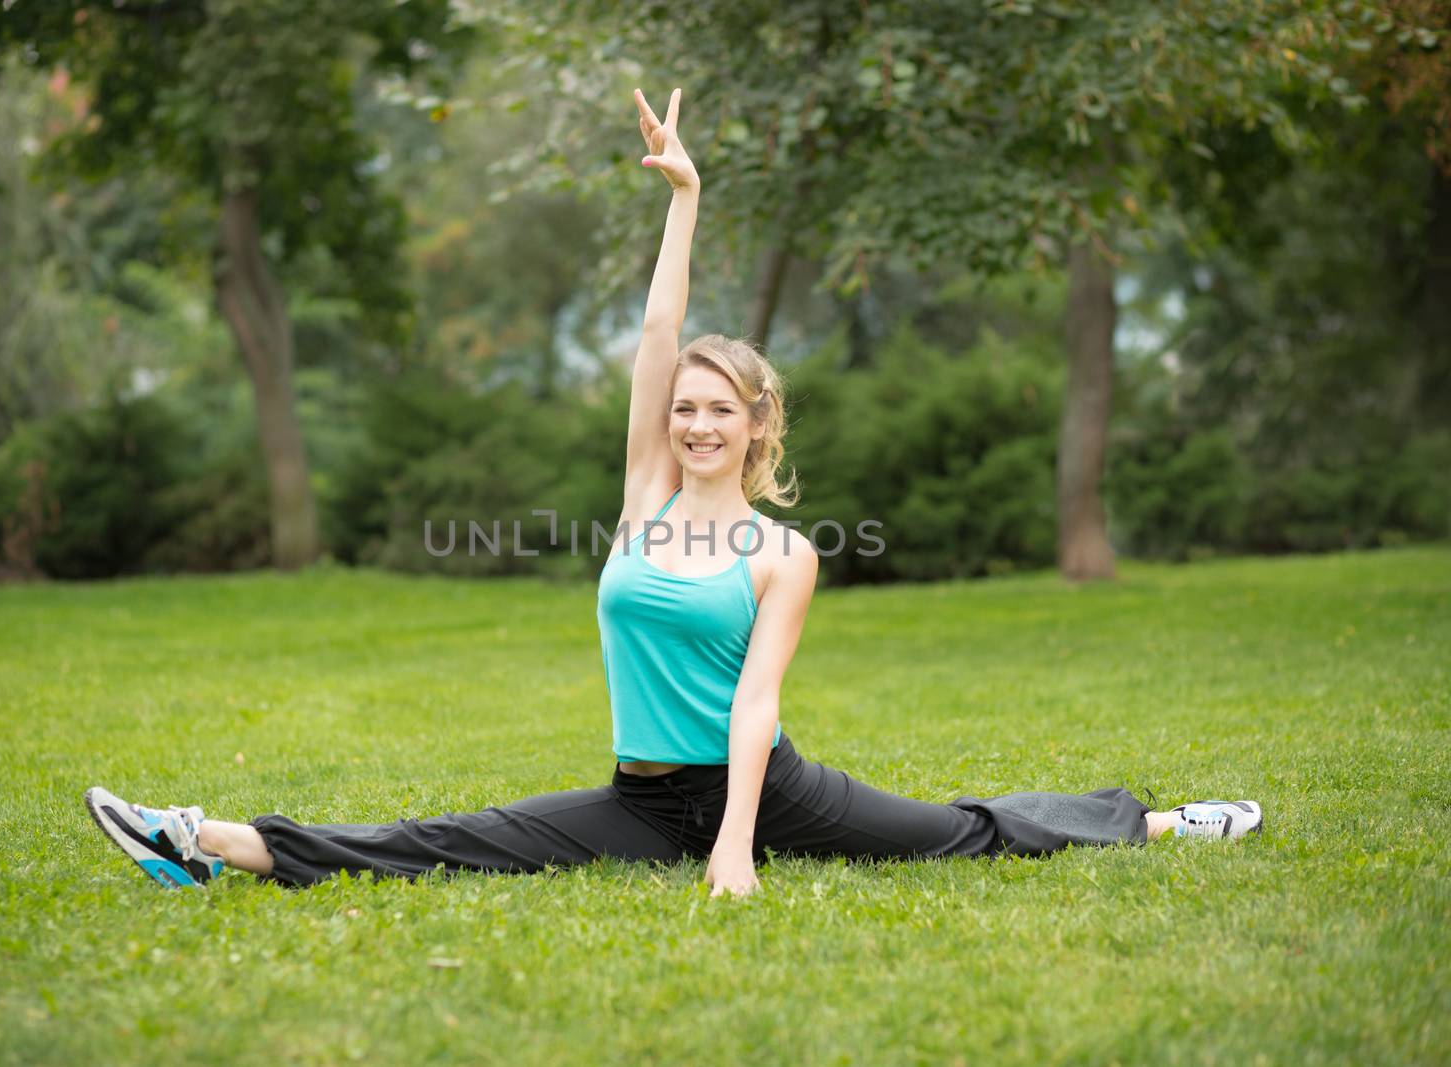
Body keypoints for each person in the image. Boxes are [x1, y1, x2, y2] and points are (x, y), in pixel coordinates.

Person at [84, 88, 1262, 898]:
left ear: (757, 425)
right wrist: (682, 198)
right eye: (683, 407)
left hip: (770, 792)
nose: (694, 421)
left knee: (955, 836)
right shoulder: (645, 491)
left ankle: (1157, 820)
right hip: (637, 798)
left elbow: (754, 708)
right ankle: (208, 843)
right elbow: (657, 329)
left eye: (718, 409)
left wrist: (740, 846)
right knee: (458, 841)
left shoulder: (783, 552)